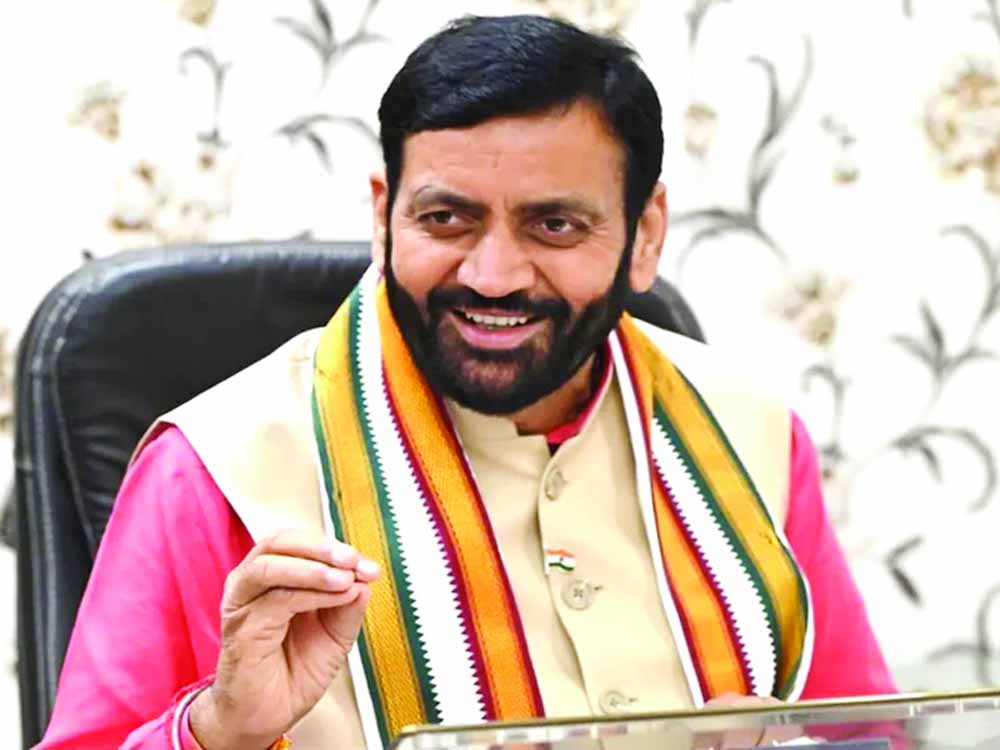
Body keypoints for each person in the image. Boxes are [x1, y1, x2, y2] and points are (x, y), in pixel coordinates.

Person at [36, 14, 895, 750]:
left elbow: (871, 733)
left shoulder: (751, 432)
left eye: (555, 225)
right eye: (447, 219)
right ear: (385, 216)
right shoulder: (213, 471)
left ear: (644, 235)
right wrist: (220, 731)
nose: (492, 275)